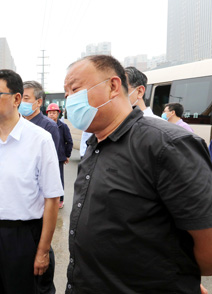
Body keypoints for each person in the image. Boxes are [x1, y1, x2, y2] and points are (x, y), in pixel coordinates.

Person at [63, 54, 212, 293]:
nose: (69, 99)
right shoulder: (94, 145)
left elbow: (207, 247)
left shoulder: (167, 144)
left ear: (112, 86)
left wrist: (184, 278)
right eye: (66, 92)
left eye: (75, 88)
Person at [0, 69, 63, 294]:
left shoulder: (40, 139)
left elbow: (52, 198)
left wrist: (42, 250)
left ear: (17, 99)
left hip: (24, 236)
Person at [46, 103, 73, 209]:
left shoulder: (63, 126)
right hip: (47, 157)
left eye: (54, 113)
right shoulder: (45, 124)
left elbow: (69, 141)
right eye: (50, 113)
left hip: (58, 158)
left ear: (58, 114)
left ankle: (60, 199)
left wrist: (67, 155)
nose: (52, 115)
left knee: (59, 179)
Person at [20, 80, 60, 150]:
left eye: (26, 98)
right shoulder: (18, 123)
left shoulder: (50, 126)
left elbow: (49, 157)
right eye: (20, 98)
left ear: (38, 102)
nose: (21, 102)